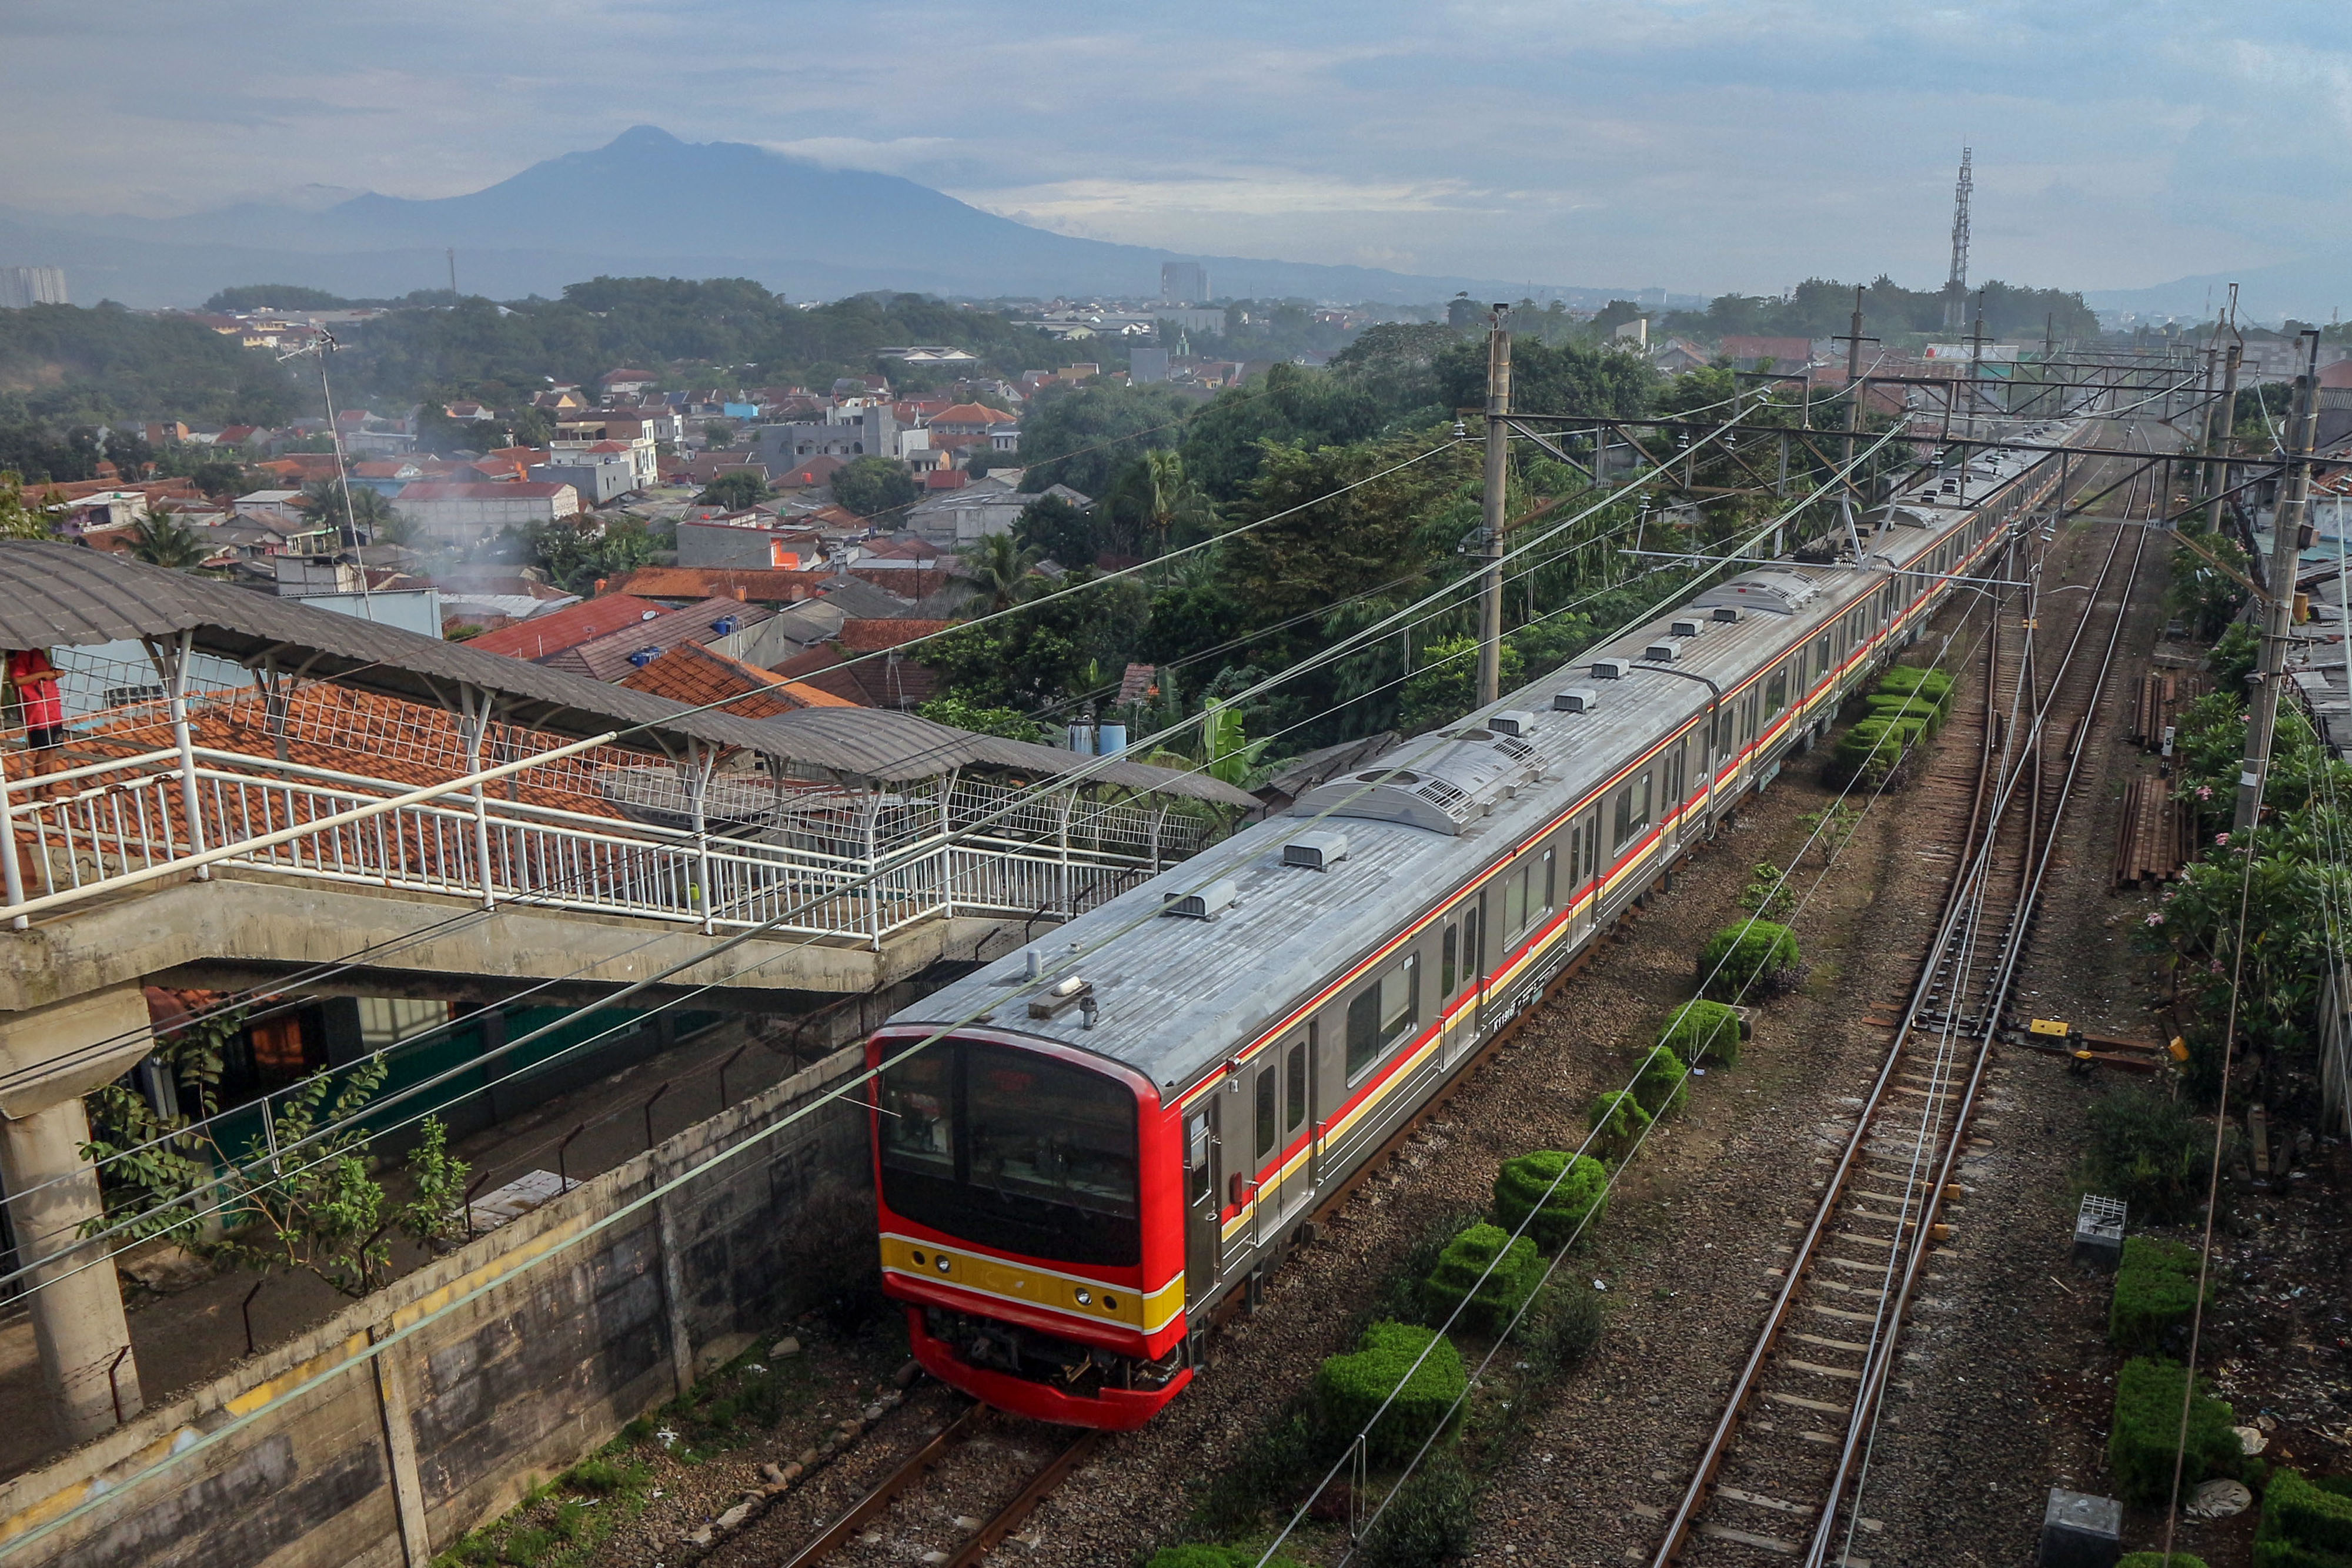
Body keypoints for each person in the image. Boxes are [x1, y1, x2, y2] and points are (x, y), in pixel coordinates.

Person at [5, 647, 66, 798]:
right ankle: (40, 790)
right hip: (37, 708)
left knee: (53, 749)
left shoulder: (38, 652)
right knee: (44, 749)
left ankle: (51, 787)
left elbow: (40, 673)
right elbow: (18, 680)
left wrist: (53, 673)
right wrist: (44, 674)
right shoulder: (19, 654)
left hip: (51, 704)